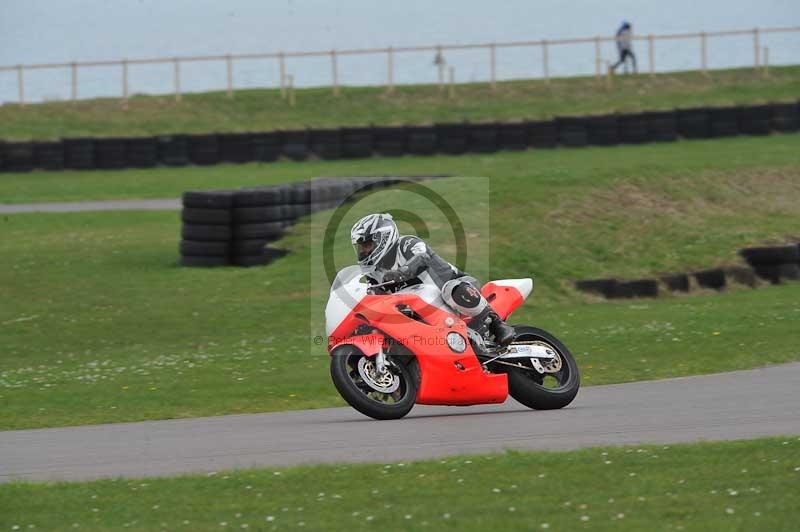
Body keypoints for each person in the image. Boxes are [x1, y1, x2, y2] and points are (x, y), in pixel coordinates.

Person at [350, 213, 516, 346]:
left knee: (451, 290)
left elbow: (422, 258)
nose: (363, 251)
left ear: (382, 238)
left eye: (367, 245)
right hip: (425, 311)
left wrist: (402, 272)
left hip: (457, 289)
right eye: (361, 247)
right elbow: (375, 299)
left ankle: (497, 323)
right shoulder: (374, 272)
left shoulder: (406, 244)